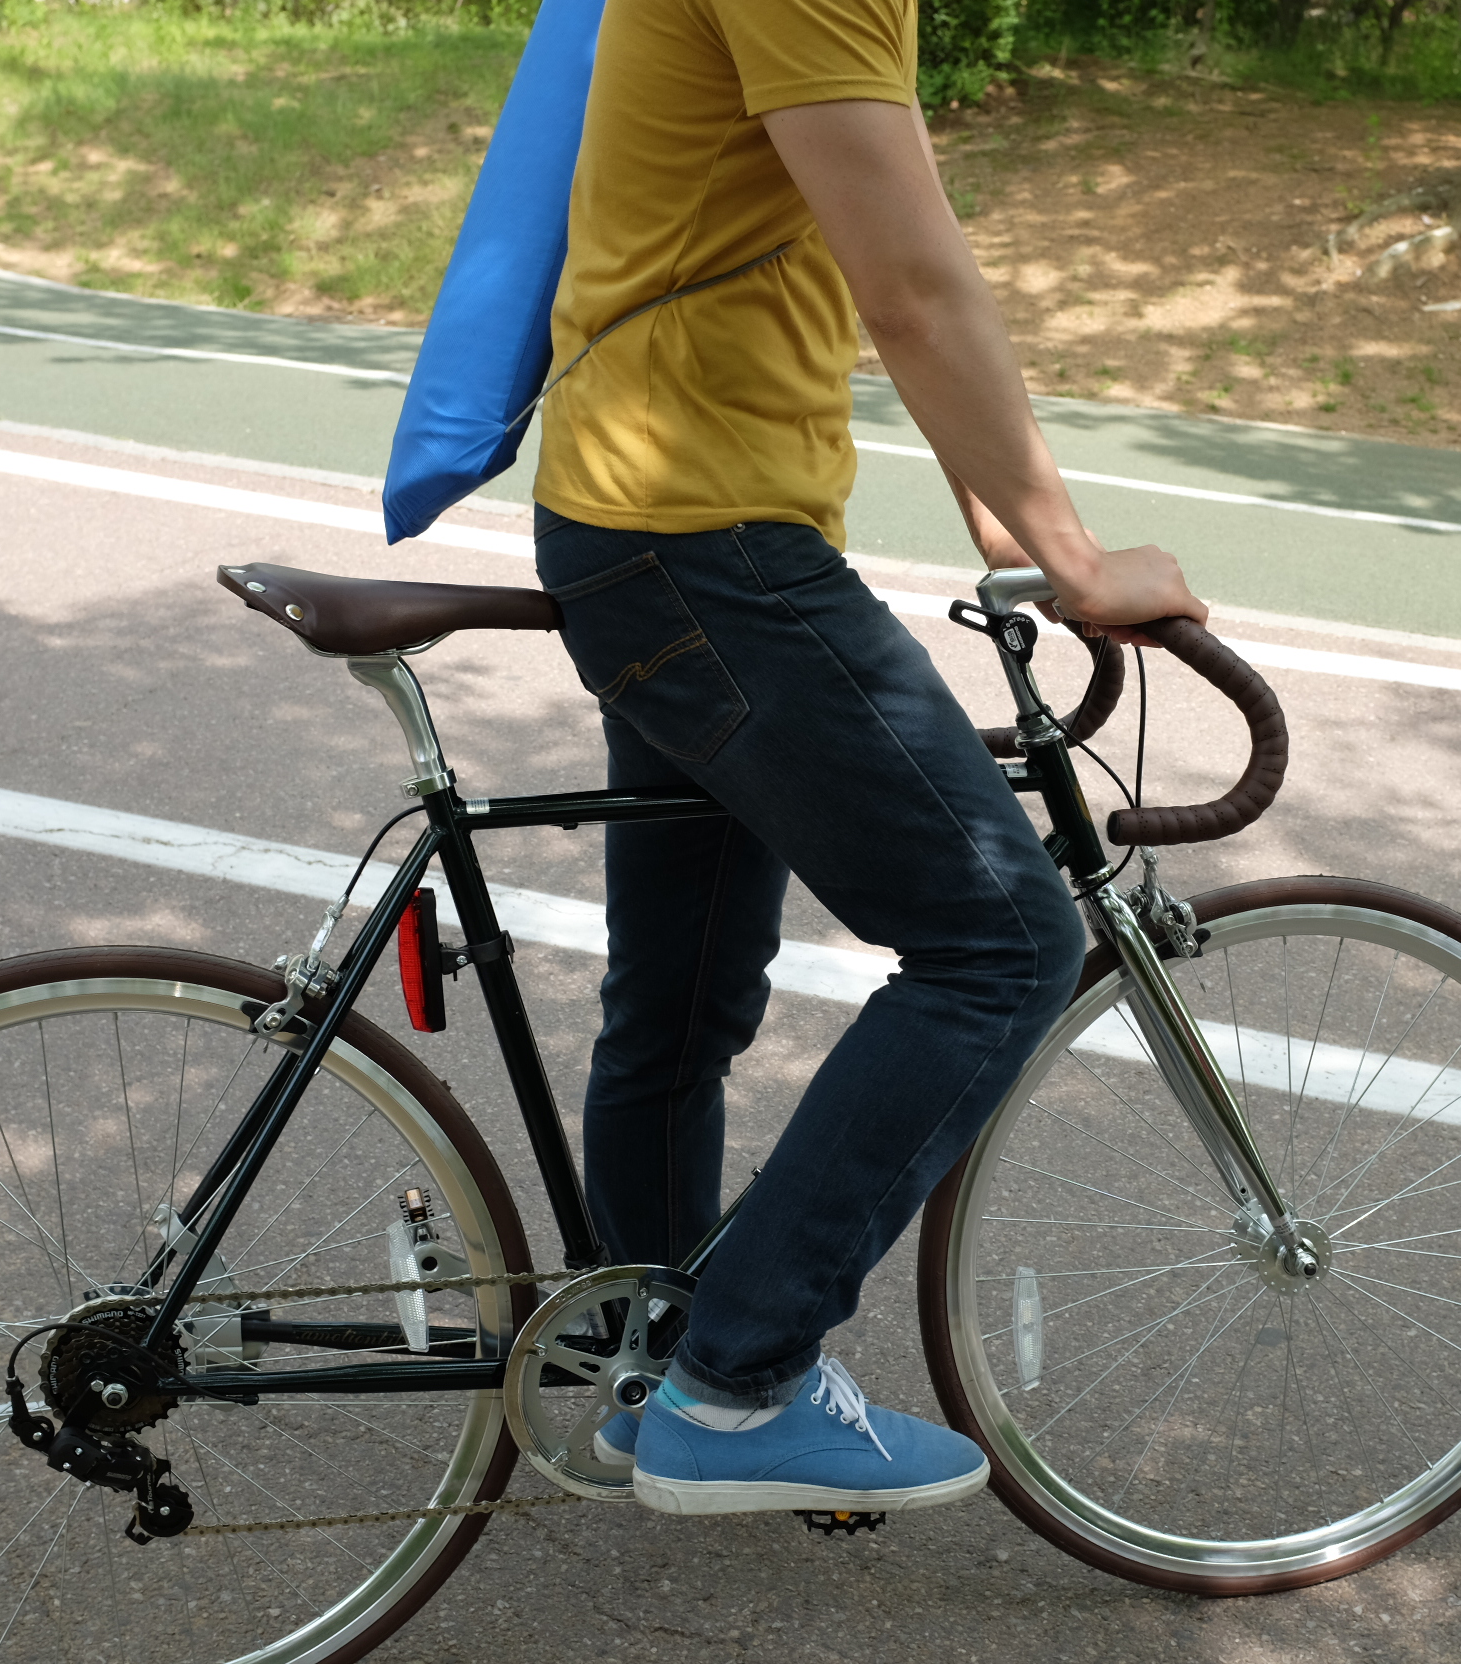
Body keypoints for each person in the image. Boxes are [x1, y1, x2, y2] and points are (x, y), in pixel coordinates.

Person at [526, 0, 1207, 1516]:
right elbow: (909, 284)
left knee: (682, 998)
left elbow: (874, 230)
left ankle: (656, 1358)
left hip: (637, 519)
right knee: (1007, 944)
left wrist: (1009, 525)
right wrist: (1075, 558)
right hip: (707, 539)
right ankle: (735, 1387)